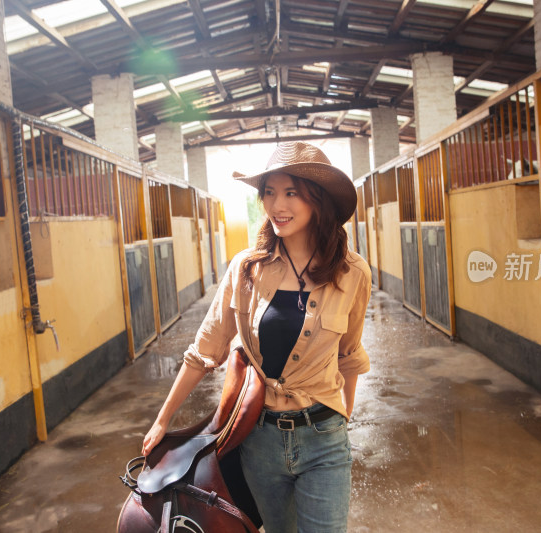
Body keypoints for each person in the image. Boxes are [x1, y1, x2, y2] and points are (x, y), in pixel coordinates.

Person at [142, 141, 372, 533]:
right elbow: (204, 350)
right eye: (269, 192)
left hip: (323, 439)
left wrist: (342, 420)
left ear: (318, 199)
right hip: (259, 441)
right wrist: (163, 420)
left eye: (290, 193)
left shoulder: (352, 273)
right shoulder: (247, 269)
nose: (276, 205)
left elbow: (349, 355)